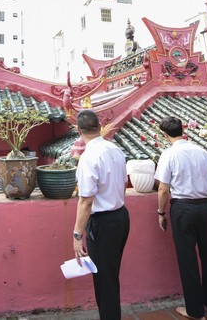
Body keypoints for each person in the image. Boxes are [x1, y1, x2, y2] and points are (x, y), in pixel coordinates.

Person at [154, 116, 207, 320]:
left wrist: (161, 212)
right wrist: (205, 202)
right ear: (182, 130)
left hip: (182, 209)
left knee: (187, 259)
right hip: (205, 207)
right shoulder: (202, 152)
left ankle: (195, 311)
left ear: (165, 135)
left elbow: (163, 188)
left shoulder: (169, 154)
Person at [72, 109, 130, 320]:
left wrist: (77, 235)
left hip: (103, 223)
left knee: (105, 279)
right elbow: (123, 184)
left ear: (78, 130)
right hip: (121, 216)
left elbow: (86, 200)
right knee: (110, 275)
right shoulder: (115, 150)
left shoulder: (88, 157)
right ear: (99, 126)